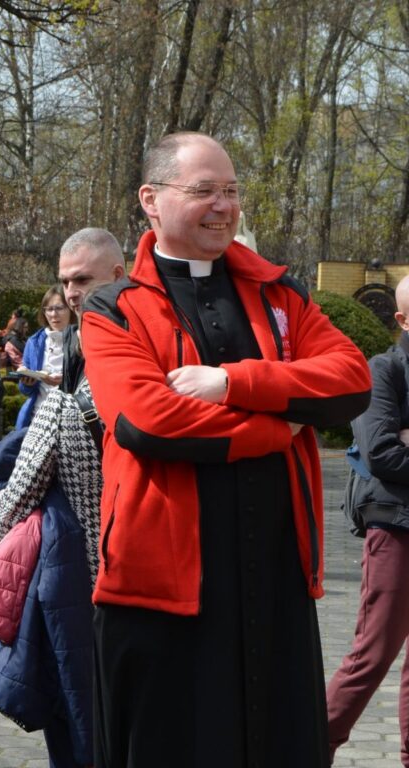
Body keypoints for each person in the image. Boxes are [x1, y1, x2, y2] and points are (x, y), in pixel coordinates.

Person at [80, 131, 372, 767]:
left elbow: (350, 380)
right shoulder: (113, 307)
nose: (224, 206)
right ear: (151, 200)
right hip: (163, 588)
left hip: (274, 574)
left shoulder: (280, 292)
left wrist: (233, 383)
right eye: (204, 191)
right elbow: (148, 422)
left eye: (232, 191)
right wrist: (277, 427)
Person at [327, 274, 409, 766]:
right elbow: (383, 455)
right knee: (372, 655)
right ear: (403, 319)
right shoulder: (384, 369)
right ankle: (310, 747)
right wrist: (397, 440)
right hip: (396, 529)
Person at [57, 228, 126, 394]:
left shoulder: (147, 335)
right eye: (65, 283)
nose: (70, 294)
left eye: (82, 280)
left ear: (117, 276)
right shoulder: (72, 338)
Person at [14, 286, 68, 429]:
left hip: (71, 419)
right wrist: (27, 383)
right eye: (49, 309)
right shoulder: (34, 342)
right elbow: (26, 391)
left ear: (70, 309)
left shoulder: (82, 340)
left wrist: (66, 381)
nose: (54, 314)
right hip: (38, 418)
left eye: (59, 308)